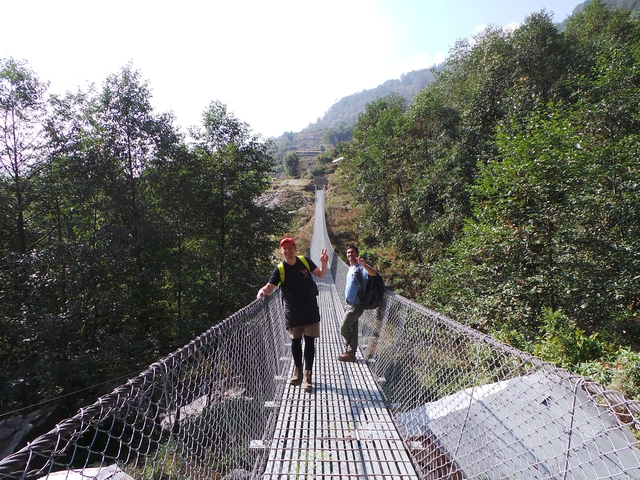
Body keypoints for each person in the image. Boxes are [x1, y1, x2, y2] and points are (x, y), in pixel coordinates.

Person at [257, 237, 328, 392]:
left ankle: (307, 375)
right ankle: (298, 372)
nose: (288, 251)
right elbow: (270, 287)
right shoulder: (280, 269)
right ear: (281, 251)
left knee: (309, 342)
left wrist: (323, 262)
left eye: (290, 248)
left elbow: (321, 275)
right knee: (295, 342)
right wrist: (262, 291)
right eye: (285, 249)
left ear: (295, 248)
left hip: (310, 307)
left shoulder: (305, 261)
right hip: (293, 309)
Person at [337, 244, 378, 363]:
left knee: (344, 328)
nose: (350, 254)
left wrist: (364, 264)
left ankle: (349, 349)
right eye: (348, 253)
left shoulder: (360, 268)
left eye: (353, 252)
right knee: (353, 330)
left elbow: (373, 274)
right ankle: (351, 354)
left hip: (356, 305)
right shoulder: (351, 267)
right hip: (348, 303)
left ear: (357, 254)